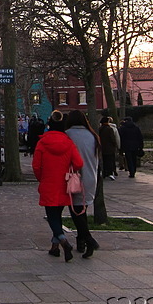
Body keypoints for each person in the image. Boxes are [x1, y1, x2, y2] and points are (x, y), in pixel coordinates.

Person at [32, 110, 83, 262]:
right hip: (64, 184)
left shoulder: (42, 143)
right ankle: (54, 247)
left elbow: (36, 166)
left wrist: (42, 177)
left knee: (52, 216)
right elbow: (79, 163)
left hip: (48, 182)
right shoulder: (68, 142)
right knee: (57, 214)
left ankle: (62, 241)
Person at [65, 110, 100, 258]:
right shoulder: (93, 135)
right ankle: (82, 241)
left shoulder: (67, 135)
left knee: (75, 212)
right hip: (91, 177)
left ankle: (88, 239)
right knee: (82, 210)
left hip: (75, 178)